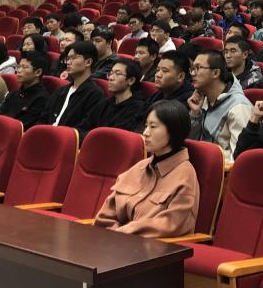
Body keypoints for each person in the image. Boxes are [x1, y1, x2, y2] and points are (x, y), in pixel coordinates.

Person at [94, 100, 199, 238]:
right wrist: (116, 235)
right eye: (146, 126)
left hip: (153, 247)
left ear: (174, 130)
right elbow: (105, 216)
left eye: (153, 127)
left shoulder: (185, 176)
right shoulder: (139, 168)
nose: (145, 133)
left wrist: (123, 233)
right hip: (116, 241)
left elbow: (171, 226)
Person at [187, 49, 252, 157]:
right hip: (201, 159)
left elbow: (239, 157)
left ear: (215, 73)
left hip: (220, 165)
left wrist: (206, 156)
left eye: (198, 68)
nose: (193, 74)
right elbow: (191, 142)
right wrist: (194, 115)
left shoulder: (239, 107)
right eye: (192, 68)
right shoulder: (203, 99)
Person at [79, 57, 149, 136]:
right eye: (111, 73)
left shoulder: (138, 108)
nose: (111, 78)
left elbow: (117, 137)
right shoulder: (104, 103)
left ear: (131, 80)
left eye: (117, 74)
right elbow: (83, 127)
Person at [43, 40, 104, 129]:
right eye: (68, 58)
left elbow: (86, 128)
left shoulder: (95, 94)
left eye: (73, 58)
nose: (68, 62)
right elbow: (43, 119)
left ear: (88, 62)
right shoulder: (60, 91)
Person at [0, 50, 50, 130]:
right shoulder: (13, 94)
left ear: (38, 72)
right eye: (19, 66)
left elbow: (23, 127)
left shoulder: (42, 99)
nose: (19, 70)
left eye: (24, 67)